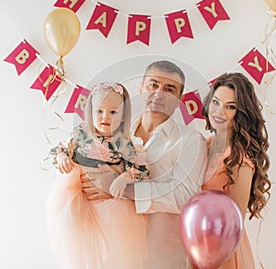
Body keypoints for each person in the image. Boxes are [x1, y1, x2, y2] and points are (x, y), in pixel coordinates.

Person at [82, 60, 207, 269]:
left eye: (169, 89)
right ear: (140, 89)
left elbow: (184, 195)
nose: (159, 94)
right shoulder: (113, 132)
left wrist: (123, 190)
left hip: (163, 254)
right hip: (111, 247)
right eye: (153, 85)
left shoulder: (191, 140)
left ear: (179, 99)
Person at [46, 82, 150, 269]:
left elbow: (141, 168)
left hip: (112, 202)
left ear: (123, 116)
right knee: (72, 224)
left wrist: (124, 177)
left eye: (113, 112)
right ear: (91, 112)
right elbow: (58, 149)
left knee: (117, 240)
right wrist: (62, 156)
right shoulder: (81, 135)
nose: (105, 117)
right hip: (82, 197)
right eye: (99, 111)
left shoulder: (123, 143)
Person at [200, 72, 271, 268]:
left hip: (223, 252)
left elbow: (235, 224)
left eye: (230, 107)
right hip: (197, 244)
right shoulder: (205, 145)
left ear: (241, 113)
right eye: (215, 102)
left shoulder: (239, 160)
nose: (219, 111)